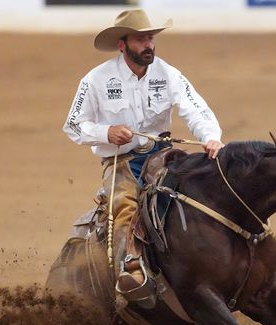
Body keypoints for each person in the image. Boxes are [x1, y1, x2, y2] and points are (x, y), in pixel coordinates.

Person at [63, 9, 224, 305]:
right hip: (121, 162)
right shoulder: (95, 80)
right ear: (122, 44)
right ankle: (131, 268)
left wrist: (210, 137)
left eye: (150, 38)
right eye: (140, 39)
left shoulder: (168, 73)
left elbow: (195, 108)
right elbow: (73, 125)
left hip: (164, 156)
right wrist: (106, 132)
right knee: (124, 205)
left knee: (205, 191)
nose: (148, 45)